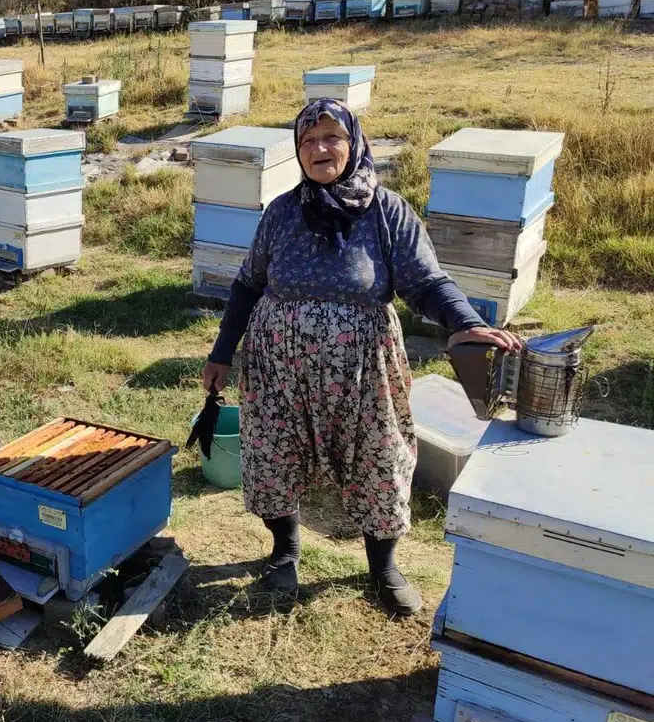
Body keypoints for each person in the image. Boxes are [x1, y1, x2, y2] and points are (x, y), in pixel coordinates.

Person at [201, 98, 521, 616]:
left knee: (380, 457)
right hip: (277, 364)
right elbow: (246, 286)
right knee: (272, 454)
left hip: (364, 369)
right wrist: (221, 354)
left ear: (353, 144)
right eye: (308, 141)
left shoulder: (387, 211)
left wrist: (468, 322)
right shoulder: (282, 212)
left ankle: (383, 566)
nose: (320, 149)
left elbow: (427, 282)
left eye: (331, 138)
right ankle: (284, 552)